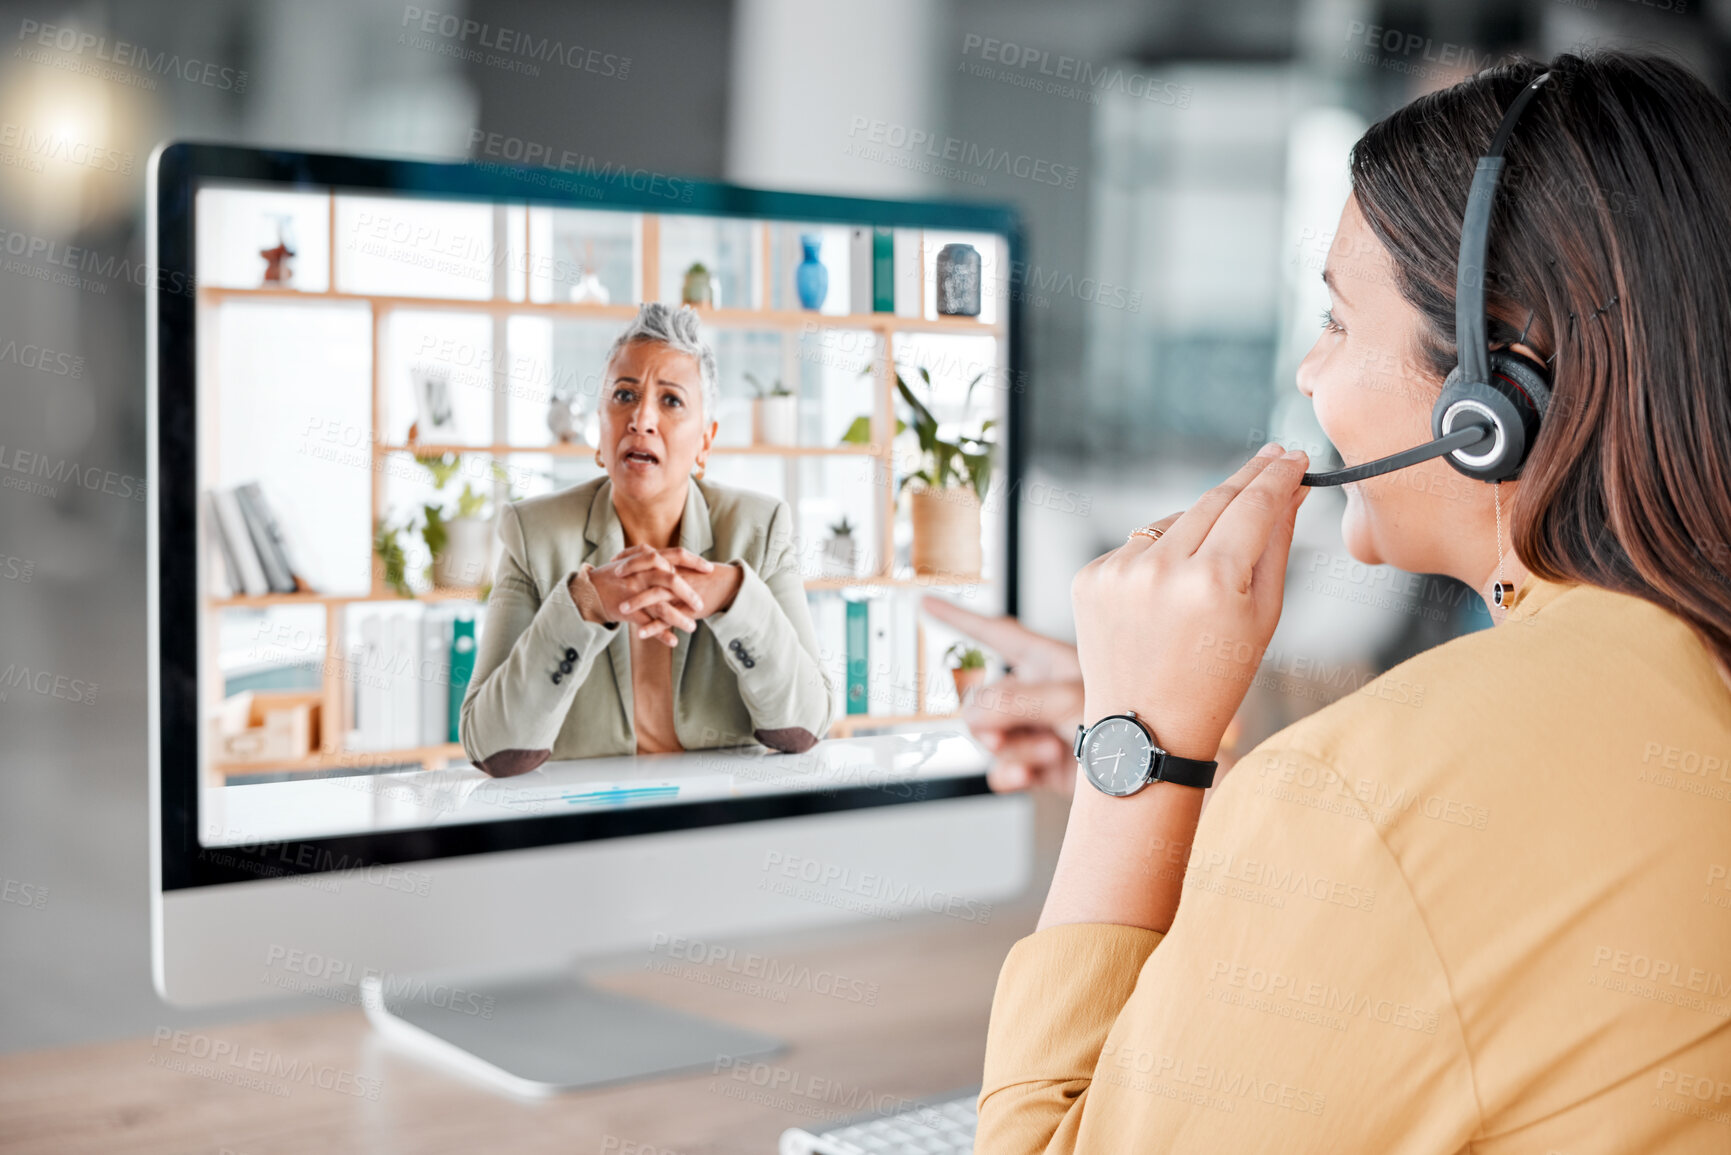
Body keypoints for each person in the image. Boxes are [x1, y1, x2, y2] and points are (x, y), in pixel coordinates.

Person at [946, 52, 1731, 1151]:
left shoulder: (1365, 796)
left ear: (1494, 389)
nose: (1310, 377)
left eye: (1338, 324)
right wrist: (1202, 739)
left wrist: (1140, 757)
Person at [459, 303, 833, 776]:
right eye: (623, 395)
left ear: (706, 442)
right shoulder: (533, 534)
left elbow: (806, 724)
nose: (641, 419)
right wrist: (584, 604)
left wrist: (732, 596)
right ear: (599, 433)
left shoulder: (760, 529)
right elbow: (489, 743)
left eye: (672, 401)